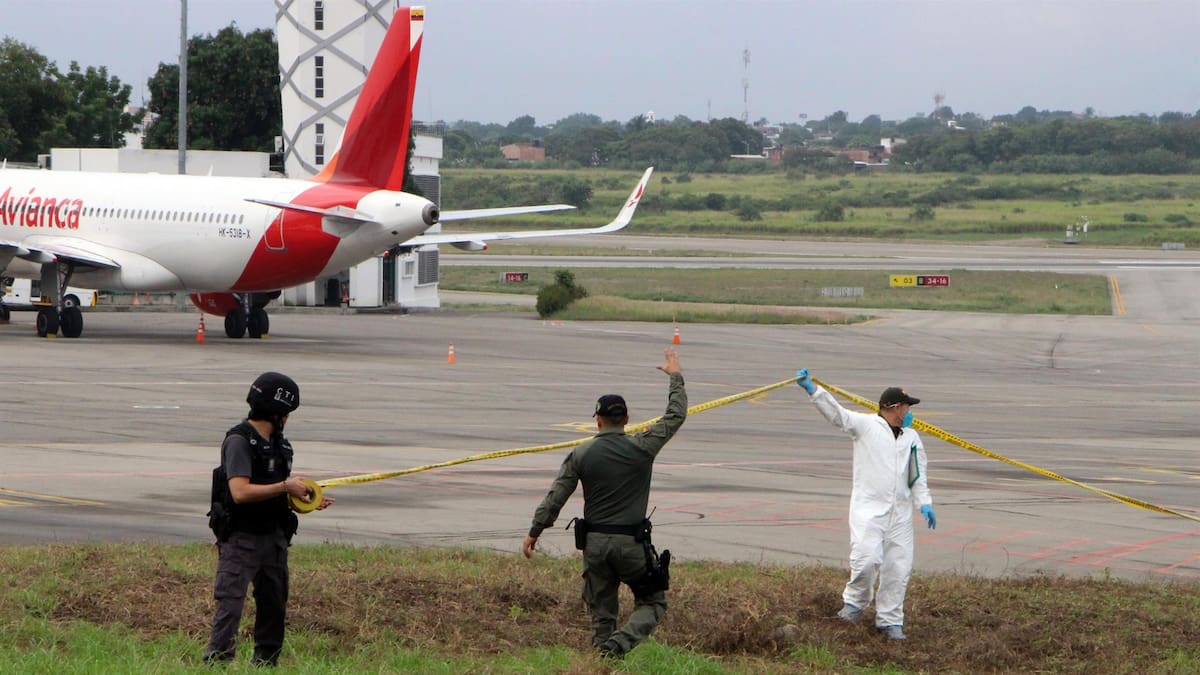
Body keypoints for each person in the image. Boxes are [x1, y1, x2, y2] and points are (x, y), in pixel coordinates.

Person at [522, 348, 687, 659]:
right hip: (630, 544)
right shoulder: (643, 446)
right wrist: (675, 376)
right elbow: (675, 415)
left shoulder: (581, 454)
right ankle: (617, 646)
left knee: (602, 613)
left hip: (595, 545)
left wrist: (535, 530)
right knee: (653, 602)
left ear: (597, 421)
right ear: (627, 420)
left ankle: (602, 657)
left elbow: (556, 496)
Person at [203, 372, 334, 666]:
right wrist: (286, 486)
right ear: (275, 412)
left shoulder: (281, 446)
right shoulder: (239, 441)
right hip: (241, 538)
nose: (287, 420)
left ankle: (266, 663)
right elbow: (240, 492)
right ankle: (218, 661)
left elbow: (274, 492)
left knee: (274, 602)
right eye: (286, 414)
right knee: (231, 602)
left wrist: (305, 499)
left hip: (273, 537)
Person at [795, 369, 935, 641]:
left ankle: (890, 621)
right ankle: (854, 604)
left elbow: (918, 475)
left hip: (900, 516)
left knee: (898, 568)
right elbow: (838, 416)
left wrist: (924, 503)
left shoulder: (912, 438)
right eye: (907, 407)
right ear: (894, 408)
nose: (909, 412)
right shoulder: (866, 426)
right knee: (867, 560)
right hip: (869, 510)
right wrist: (813, 390)